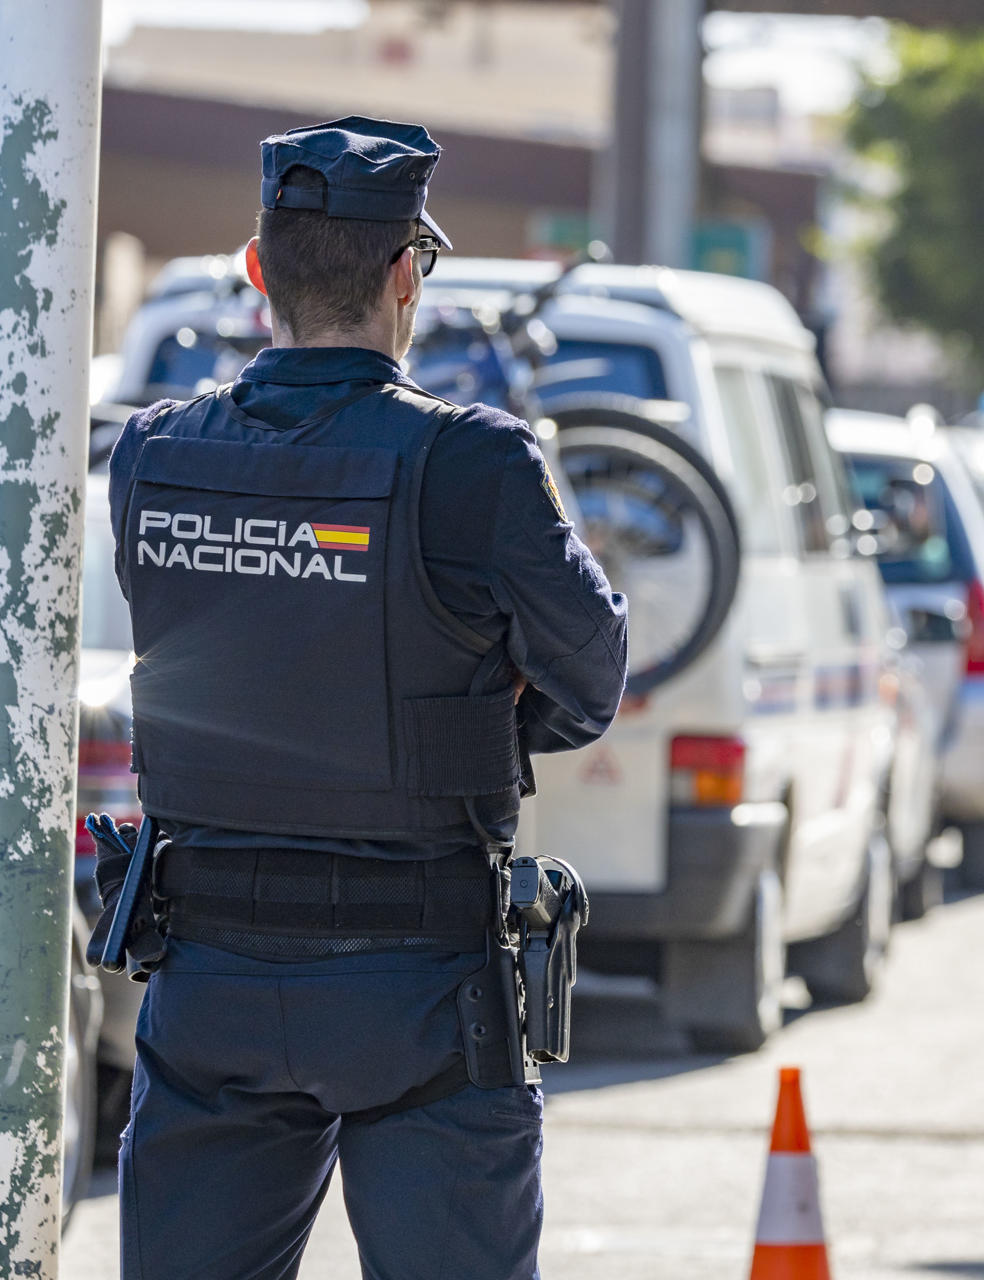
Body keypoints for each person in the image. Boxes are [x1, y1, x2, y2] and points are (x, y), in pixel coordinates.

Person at [105, 117, 629, 1280]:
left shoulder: (152, 454)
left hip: (211, 985)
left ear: (257, 274)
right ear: (407, 275)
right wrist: (469, 722)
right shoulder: (474, 462)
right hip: (422, 985)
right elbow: (590, 677)